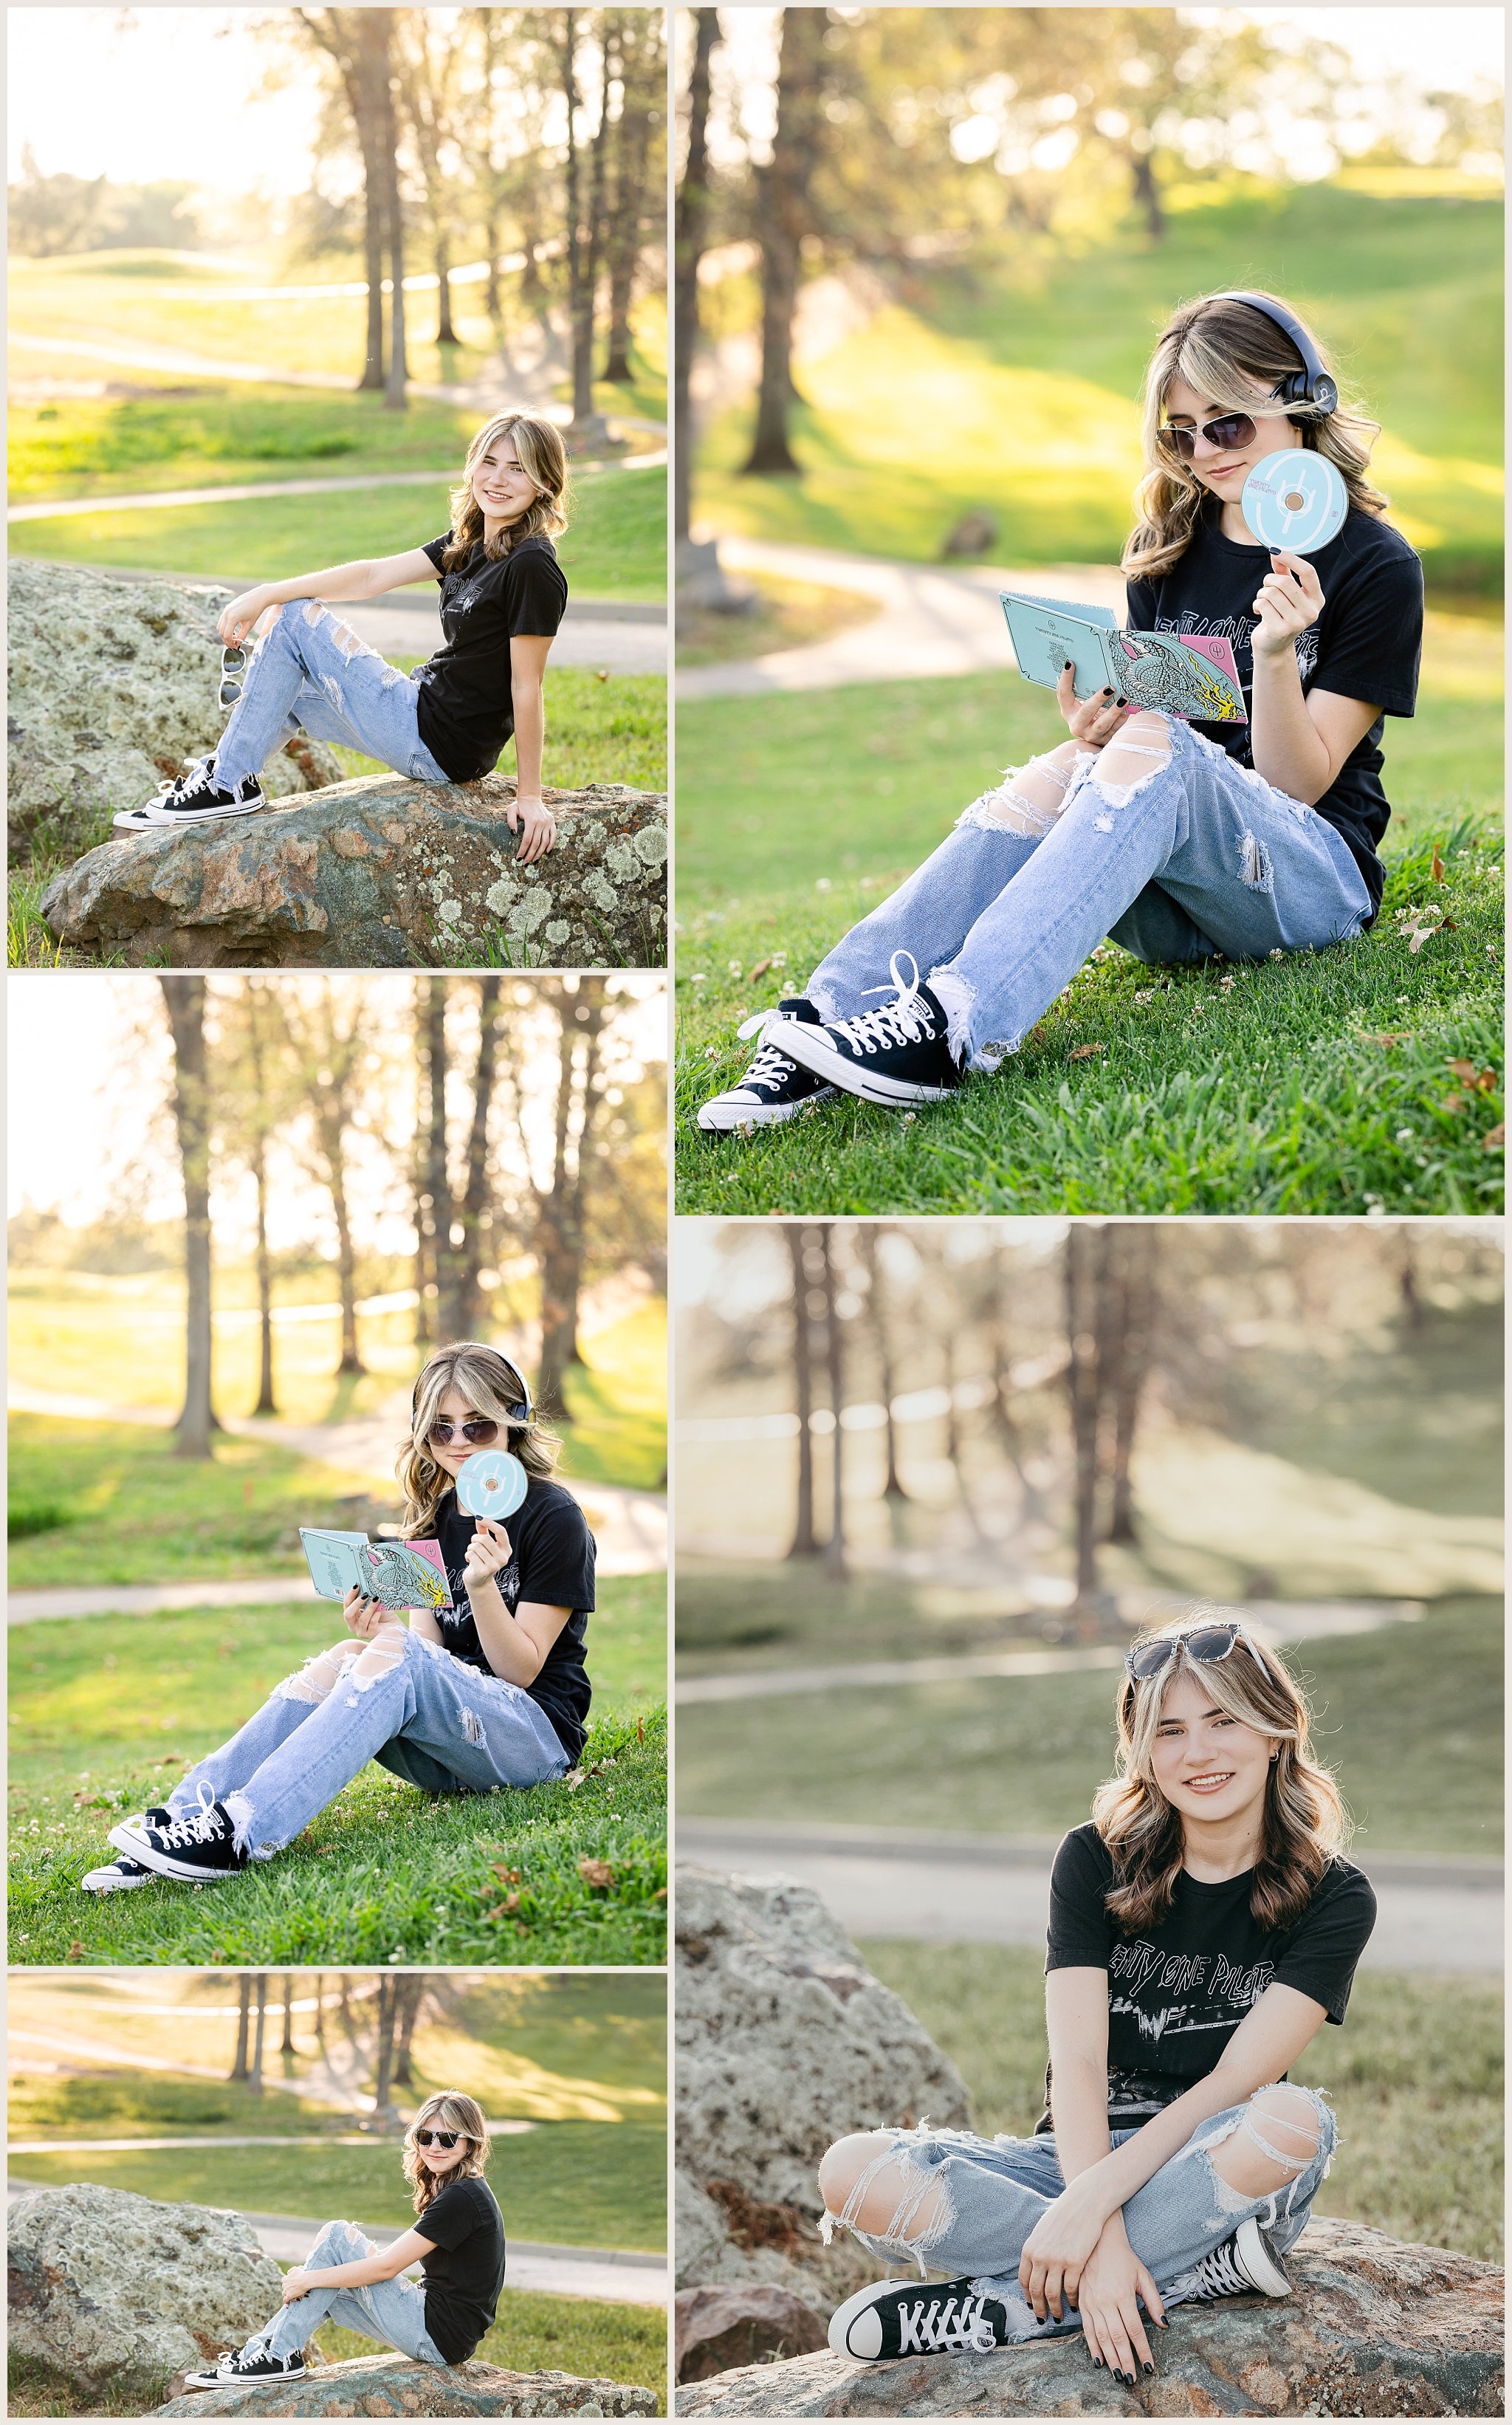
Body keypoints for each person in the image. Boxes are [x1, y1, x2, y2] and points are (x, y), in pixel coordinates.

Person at [697, 289, 1423, 1131]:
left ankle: (953, 1024)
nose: (1203, 452)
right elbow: (1153, 739)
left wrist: (1271, 654)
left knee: (1158, 741)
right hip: (1174, 903)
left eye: (1226, 423)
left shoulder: (1373, 563)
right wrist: (1100, 733)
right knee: (1075, 760)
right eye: (1178, 433)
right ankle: (823, 1019)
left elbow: (1297, 787)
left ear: (1302, 402)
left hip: (1306, 883)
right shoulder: (1170, 552)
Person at [818, 1615, 1377, 2384]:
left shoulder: (1333, 1893)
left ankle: (1015, 2304)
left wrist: (1096, 2212)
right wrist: (1099, 2230)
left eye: (1223, 1720)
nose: (1198, 1752)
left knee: (1293, 2120)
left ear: (1274, 1730)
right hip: (1069, 2159)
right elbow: (1076, 2062)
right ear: (1142, 1750)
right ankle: (1179, 2272)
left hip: (1210, 2161)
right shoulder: (1092, 1857)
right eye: (1169, 1729)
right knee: (851, 2169)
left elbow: (1234, 2081)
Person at [80, 1342, 594, 1890]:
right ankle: (186, 1817)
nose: (460, 1444)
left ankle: (240, 1831)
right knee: (351, 1654)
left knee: (390, 1660)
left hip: (533, 1741)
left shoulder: (553, 1516)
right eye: (442, 1429)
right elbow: (432, 1658)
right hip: (456, 1751)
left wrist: (481, 1586)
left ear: (513, 1423)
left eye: (478, 1427)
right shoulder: (432, 1519)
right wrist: (383, 1635)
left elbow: (520, 1672)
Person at [111, 411, 569, 867]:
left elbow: (526, 685)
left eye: (518, 468)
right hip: (422, 716)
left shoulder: (531, 565)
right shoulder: (471, 543)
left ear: (544, 482)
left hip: (436, 737)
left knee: (294, 619)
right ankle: (232, 777)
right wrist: (269, 591)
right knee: (281, 681)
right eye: (489, 462)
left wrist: (530, 796)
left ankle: (226, 783)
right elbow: (371, 575)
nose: (498, 479)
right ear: (471, 466)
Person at [183, 2090, 505, 2387]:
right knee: (326, 2286)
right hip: (439, 2333)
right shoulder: (461, 2188)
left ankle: (278, 2355)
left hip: (436, 2334)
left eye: (447, 2139)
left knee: (338, 2236)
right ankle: (264, 2352)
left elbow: (387, 2267)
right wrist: (315, 2281)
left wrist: (307, 2278)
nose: (434, 2146)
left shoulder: (462, 2197)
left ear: (469, 2143)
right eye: (425, 2136)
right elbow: (385, 2265)